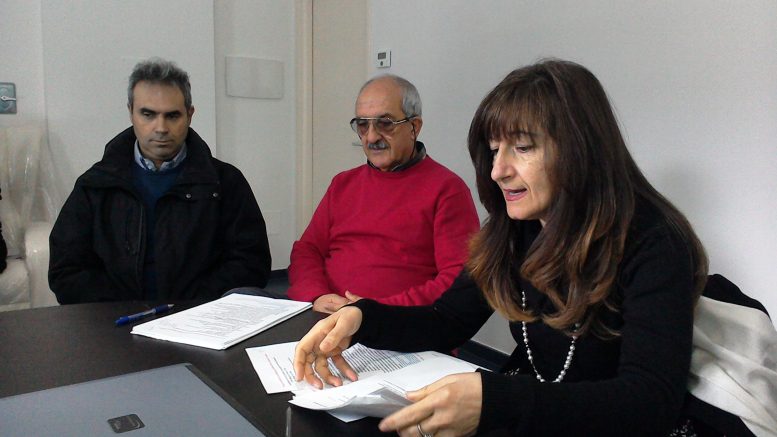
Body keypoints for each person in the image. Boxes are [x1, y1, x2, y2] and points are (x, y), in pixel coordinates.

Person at [293, 59, 712, 436]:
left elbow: (649, 402)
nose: (497, 170)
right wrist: (362, 317)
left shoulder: (654, 242)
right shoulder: (513, 231)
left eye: (523, 148)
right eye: (494, 151)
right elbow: (447, 319)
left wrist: (495, 401)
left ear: (581, 148)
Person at [49, 58, 271, 303]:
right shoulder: (95, 185)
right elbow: (66, 270)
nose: (161, 127)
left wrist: (193, 306)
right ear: (131, 113)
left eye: (172, 116)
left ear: (190, 115)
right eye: (148, 114)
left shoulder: (225, 183)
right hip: (114, 318)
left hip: (200, 317)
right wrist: (121, 308)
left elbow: (251, 263)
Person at [287, 74, 479, 313]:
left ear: (414, 127)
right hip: (326, 315)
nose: (371, 137)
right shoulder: (343, 183)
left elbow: (457, 281)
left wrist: (373, 311)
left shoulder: (448, 189)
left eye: (385, 123)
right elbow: (307, 250)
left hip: (397, 324)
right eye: (362, 125)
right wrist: (317, 295)